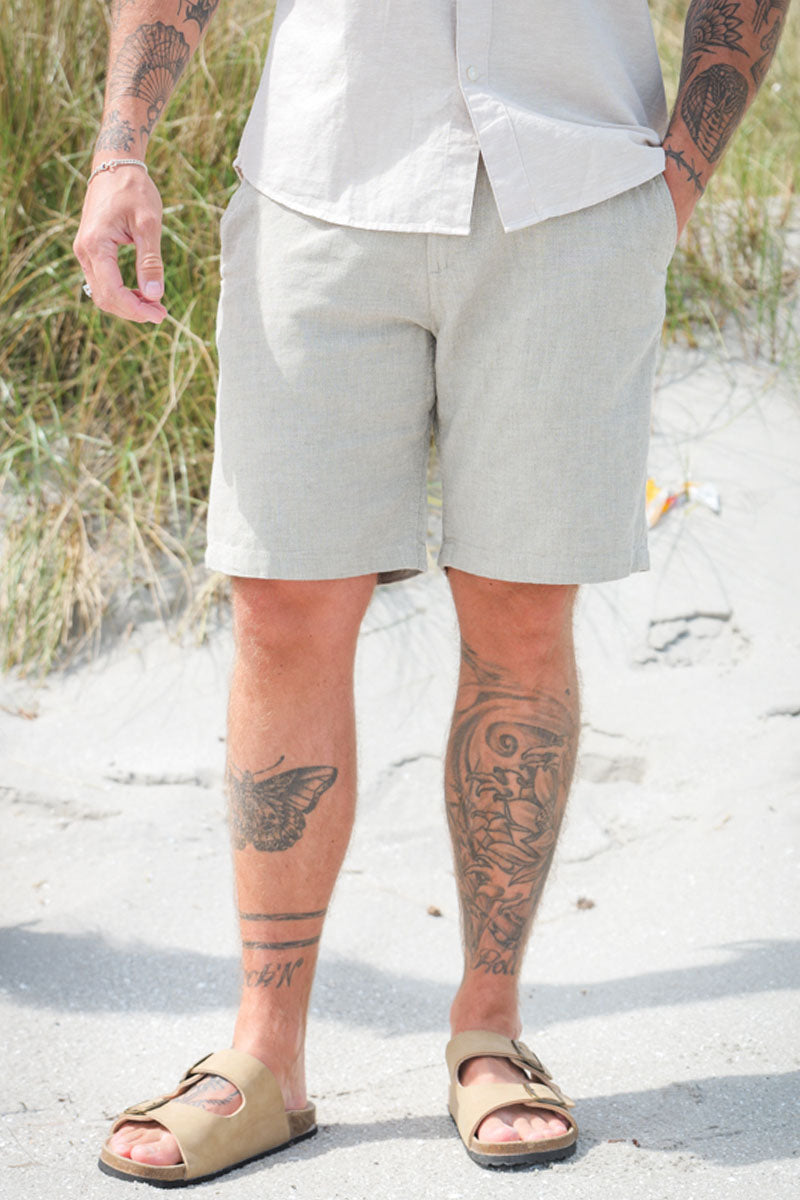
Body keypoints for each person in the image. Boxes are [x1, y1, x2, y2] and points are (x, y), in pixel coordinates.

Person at [74, 0, 790, 1184]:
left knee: (518, 614)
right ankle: (264, 1057)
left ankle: (487, 1031)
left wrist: (674, 179)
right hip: (319, 179)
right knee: (282, 608)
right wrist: (120, 152)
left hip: (570, 191)